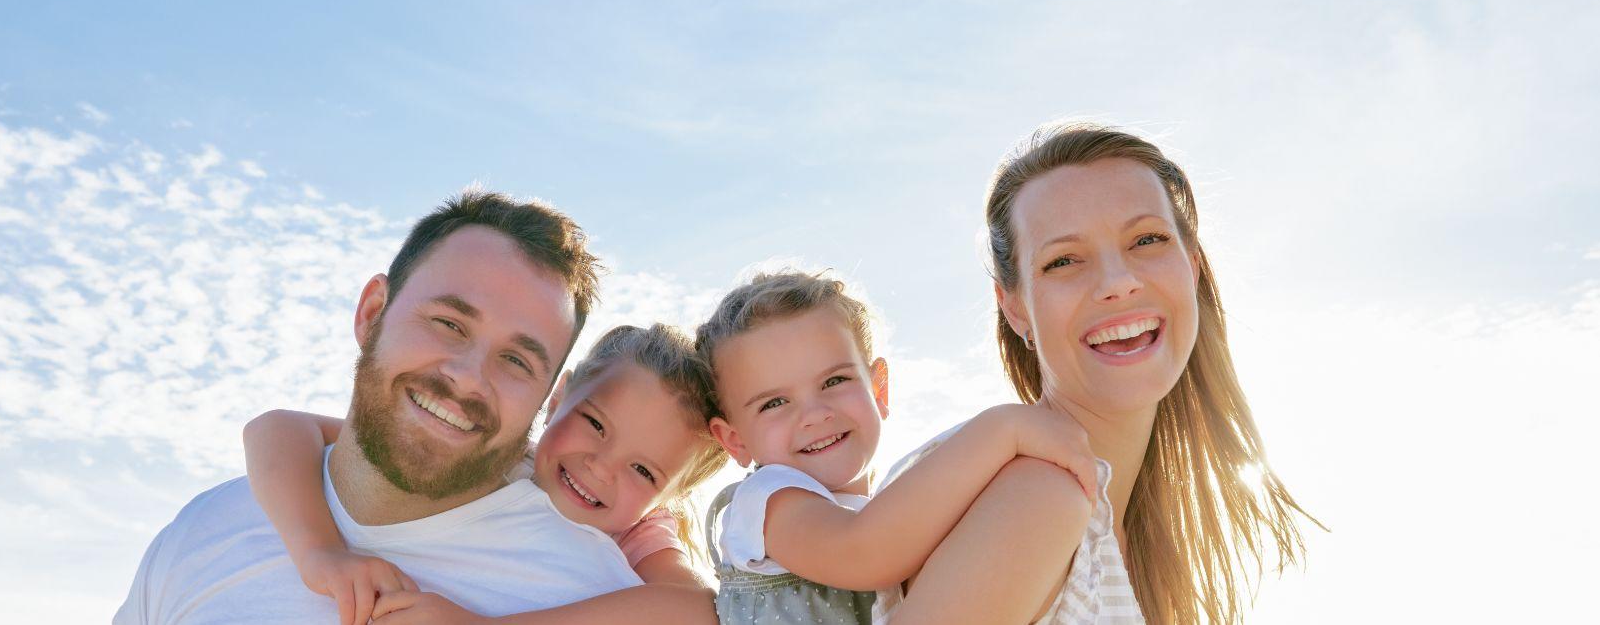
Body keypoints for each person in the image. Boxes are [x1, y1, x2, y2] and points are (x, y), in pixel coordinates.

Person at [114, 190, 643, 624]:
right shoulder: (208, 530)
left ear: (546, 398)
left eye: (516, 361)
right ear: (372, 314)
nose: (468, 378)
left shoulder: (587, 591)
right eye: (449, 324)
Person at [881, 123, 1321, 624]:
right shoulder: (1040, 500)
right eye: (1063, 260)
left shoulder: (1123, 527)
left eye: (1147, 239)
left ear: (1192, 267)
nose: (1118, 283)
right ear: (1016, 309)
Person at [240, 324, 728, 625]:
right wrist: (319, 552)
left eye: (644, 471)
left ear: (670, 495)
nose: (601, 466)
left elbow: (700, 610)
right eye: (595, 424)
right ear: (557, 399)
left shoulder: (640, 531)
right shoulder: (496, 453)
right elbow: (278, 427)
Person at [694, 270, 1100, 625]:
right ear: (735, 440)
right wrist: (1003, 429)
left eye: (834, 382)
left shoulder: (886, 514)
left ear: (879, 388)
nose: (814, 414)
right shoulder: (766, 501)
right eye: (774, 404)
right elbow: (863, 552)